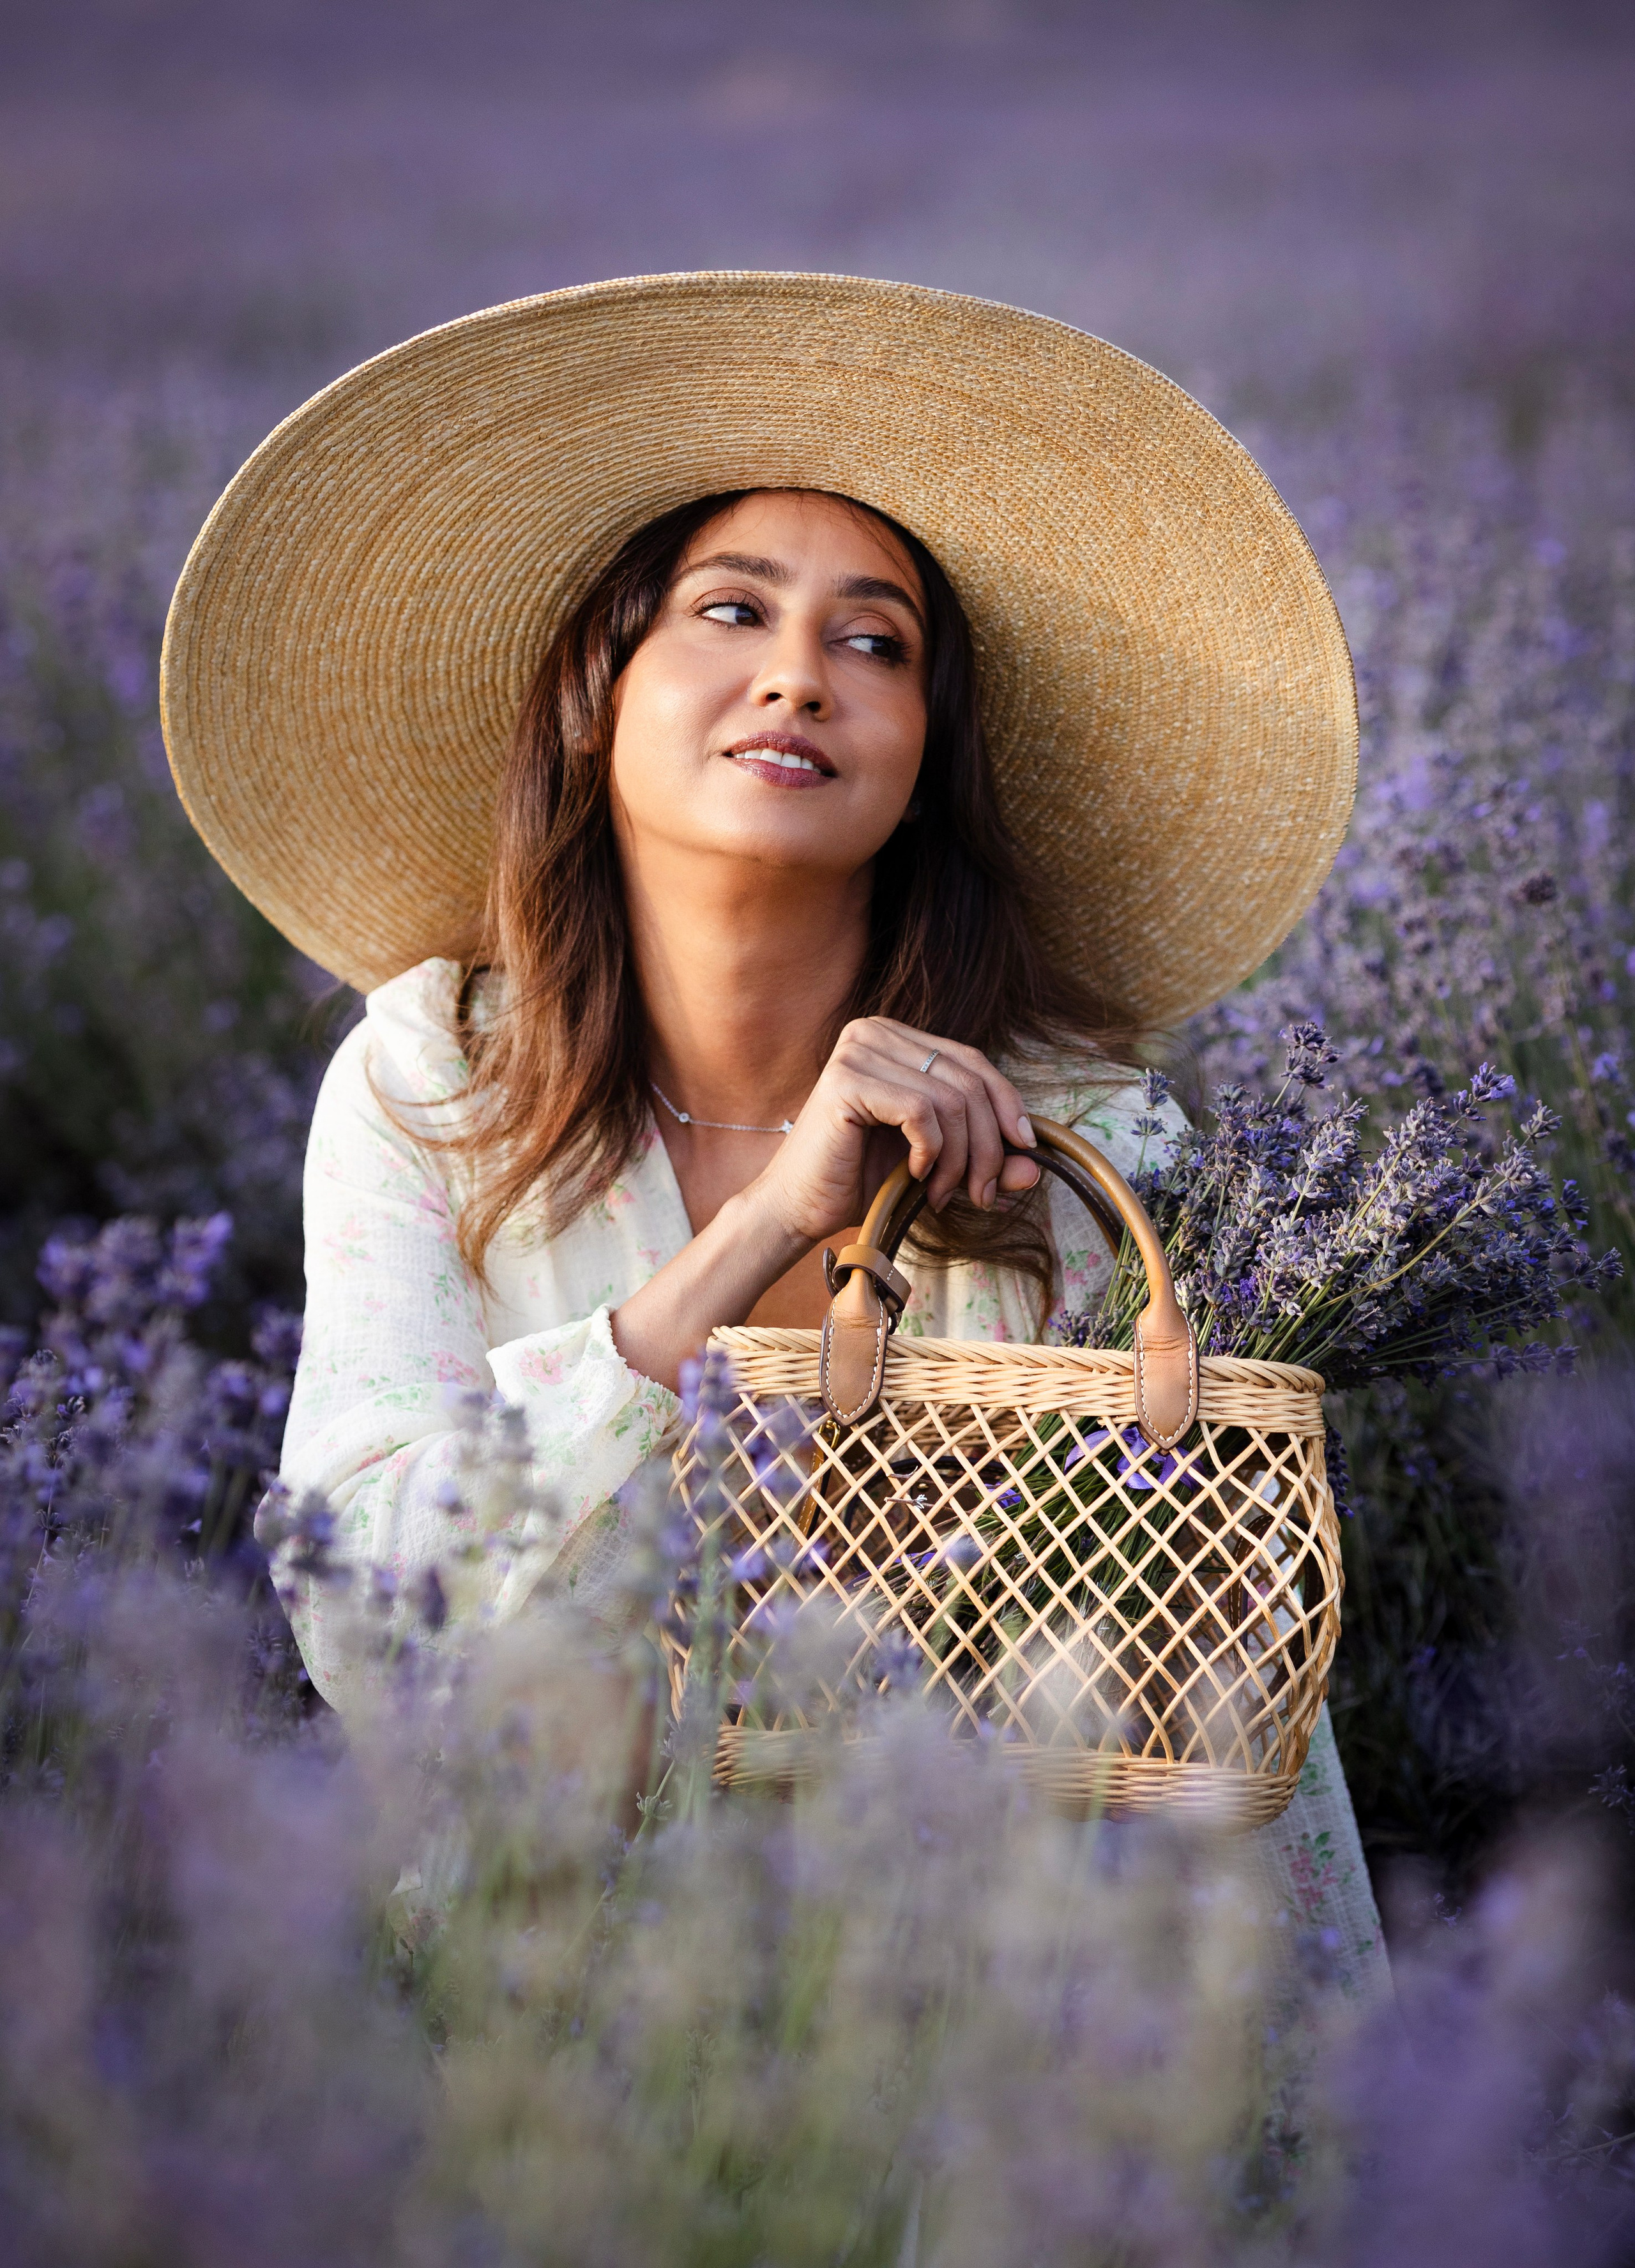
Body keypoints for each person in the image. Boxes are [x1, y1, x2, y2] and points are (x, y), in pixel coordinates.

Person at [162, 271, 1384, 1996]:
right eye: (731, 613)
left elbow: (1202, 1686)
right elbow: (365, 1607)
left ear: (923, 758)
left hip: (987, 2001)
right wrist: (757, 1237)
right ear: (600, 690)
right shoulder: (431, 1080)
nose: (799, 677)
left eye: (875, 644)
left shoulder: (1075, 1139)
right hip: (548, 1993)